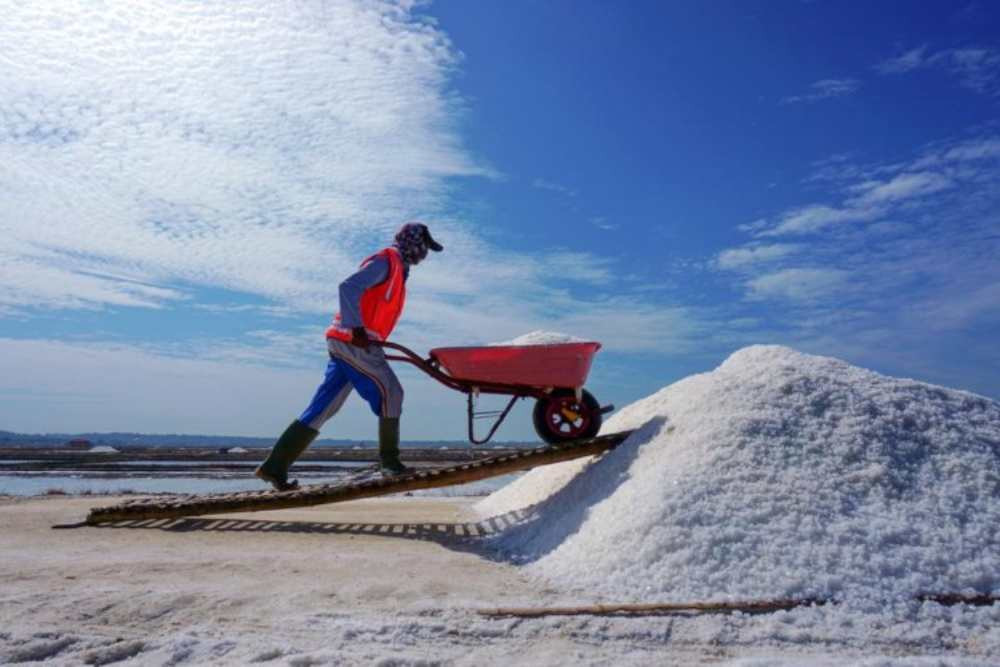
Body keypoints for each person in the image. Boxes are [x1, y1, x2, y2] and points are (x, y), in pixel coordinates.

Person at [255, 222, 443, 491]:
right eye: (424, 247)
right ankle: (390, 463)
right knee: (392, 393)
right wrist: (356, 329)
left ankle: (274, 467)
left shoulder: (399, 269)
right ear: (413, 243)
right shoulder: (387, 261)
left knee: (323, 407)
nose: (424, 254)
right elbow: (348, 287)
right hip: (353, 342)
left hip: (348, 341)